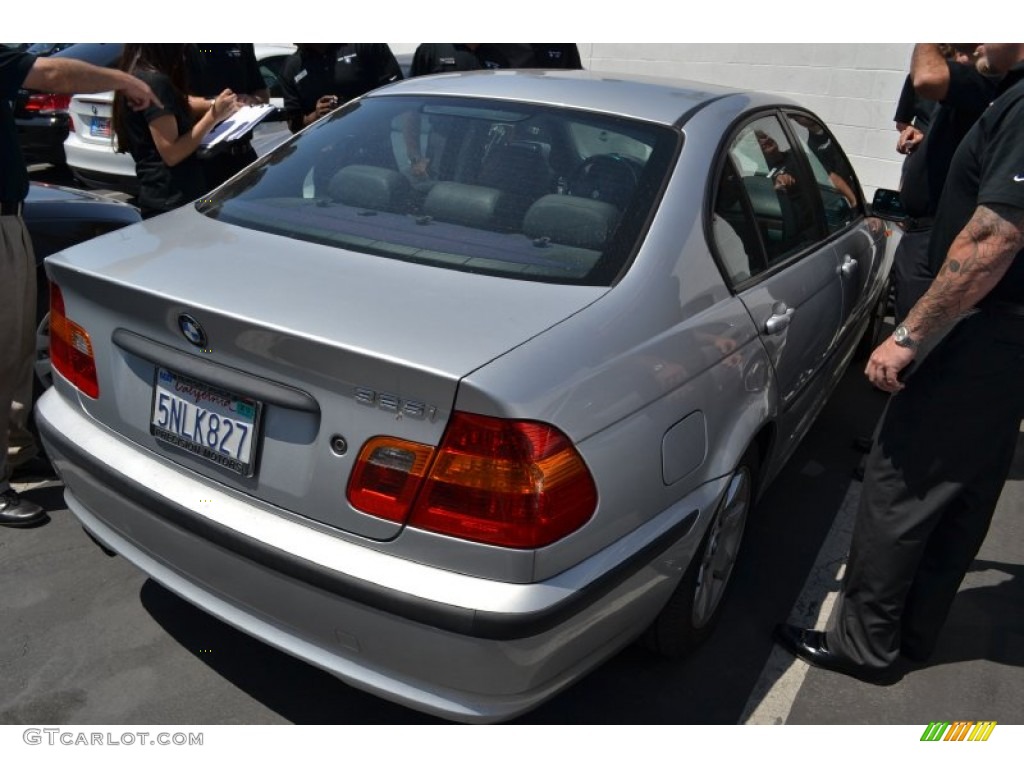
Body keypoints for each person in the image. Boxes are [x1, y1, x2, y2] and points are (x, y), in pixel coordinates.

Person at [774, 43, 1024, 682]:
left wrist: (910, 334)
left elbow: (994, 236)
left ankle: (865, 646)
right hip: (1003, 341)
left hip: (980, 330)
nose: (969, 41)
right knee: (963, 487)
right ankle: (910, 636)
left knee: (902, 480)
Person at [1, 46, 158, 527]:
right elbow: (47, 71)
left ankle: (13, 451)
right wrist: (125, 81)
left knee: (16, 348)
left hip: (10, 214)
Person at [891, 43, 996, 322]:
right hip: (918, 232)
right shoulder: (948, 82)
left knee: (918, 341)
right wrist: (917, 134)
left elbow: (928, 79)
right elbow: (911, 118)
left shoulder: (984, 79)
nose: (962, 56)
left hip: (944, 234)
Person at [113, 44, 240, 218]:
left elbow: (174, 108)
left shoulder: (136, 78)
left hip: (160, 196)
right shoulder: (155, 82)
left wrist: (211, 105)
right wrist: (214, 116)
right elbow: (171, 153)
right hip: (174, 201)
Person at [186, 44, 269, 188]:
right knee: (208, 206)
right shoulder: (189, 48)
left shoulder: (241, 45)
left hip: (243, 156)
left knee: (250, 207)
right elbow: (175, 101)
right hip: (205, 161)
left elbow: (262, 92)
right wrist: (215, 105)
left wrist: (252, 100)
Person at [279, 44, 402, 134]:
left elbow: (399, 97)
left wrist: (413, 154)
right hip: (324, 156)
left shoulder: (364, 44)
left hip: (374, 145)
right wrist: (316, 115)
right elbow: (294, 125)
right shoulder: (291, 67)